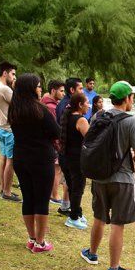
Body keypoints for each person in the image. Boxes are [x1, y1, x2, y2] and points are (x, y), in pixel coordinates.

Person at [80, 81, 135, 270]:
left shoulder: (100, 116)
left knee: (99, 216)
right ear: (126, 99)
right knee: (117, 223)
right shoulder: (131, 121)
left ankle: (91, 253)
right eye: (132, 97)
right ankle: (114, 268)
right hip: (122, 179)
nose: (133, 100)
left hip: (100, 177)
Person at [9, 74, 60, 253]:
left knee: (28, 197)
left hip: (21, 157)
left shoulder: (14, 110)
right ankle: (40, 242)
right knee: (41, 199)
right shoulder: (40, 109)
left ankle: (31, 237)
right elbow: (56, 131)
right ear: (31, 89)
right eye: (38, 86)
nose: (40, 89)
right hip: (41, 158)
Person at [60, 92, 90, 230]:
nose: (88, 106)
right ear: (80, 105)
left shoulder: (67, 117)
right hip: (76, 159)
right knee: (78, 187)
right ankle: (72, 218)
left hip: (65, 157)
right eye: (87, 103)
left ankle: (77, 212)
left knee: (72, 187)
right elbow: (91, 139)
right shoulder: (81, 120)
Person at [0, 61, 20, 202]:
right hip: (8, 129)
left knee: (3, 158)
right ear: (5, 73)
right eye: (13, 74)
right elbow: (19, 105)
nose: (14, 77)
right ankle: (7, 192)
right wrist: (15, 88)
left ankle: (3, 188)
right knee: (11, 161)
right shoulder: (5, 89)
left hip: (0, 127)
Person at [54, 77, 83, 216]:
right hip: (69, 151)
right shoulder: (67, 107)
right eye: (80, 89)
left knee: (69, 182)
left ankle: (67, 206)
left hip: (65, 150)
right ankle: (72, 211)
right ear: (72, 90)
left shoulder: (64, 104)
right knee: (73, 183)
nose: (82, 92)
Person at [42, 80, 65, 205]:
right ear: (53, 91)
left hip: (47, 143)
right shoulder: (51, 107)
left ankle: (51, 193)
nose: (63, 94)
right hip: (52, 143)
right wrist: (58, 145)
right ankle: (54, 195)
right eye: (61, 91)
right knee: (56, 169)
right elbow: (54, 128)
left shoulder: (44, 103)